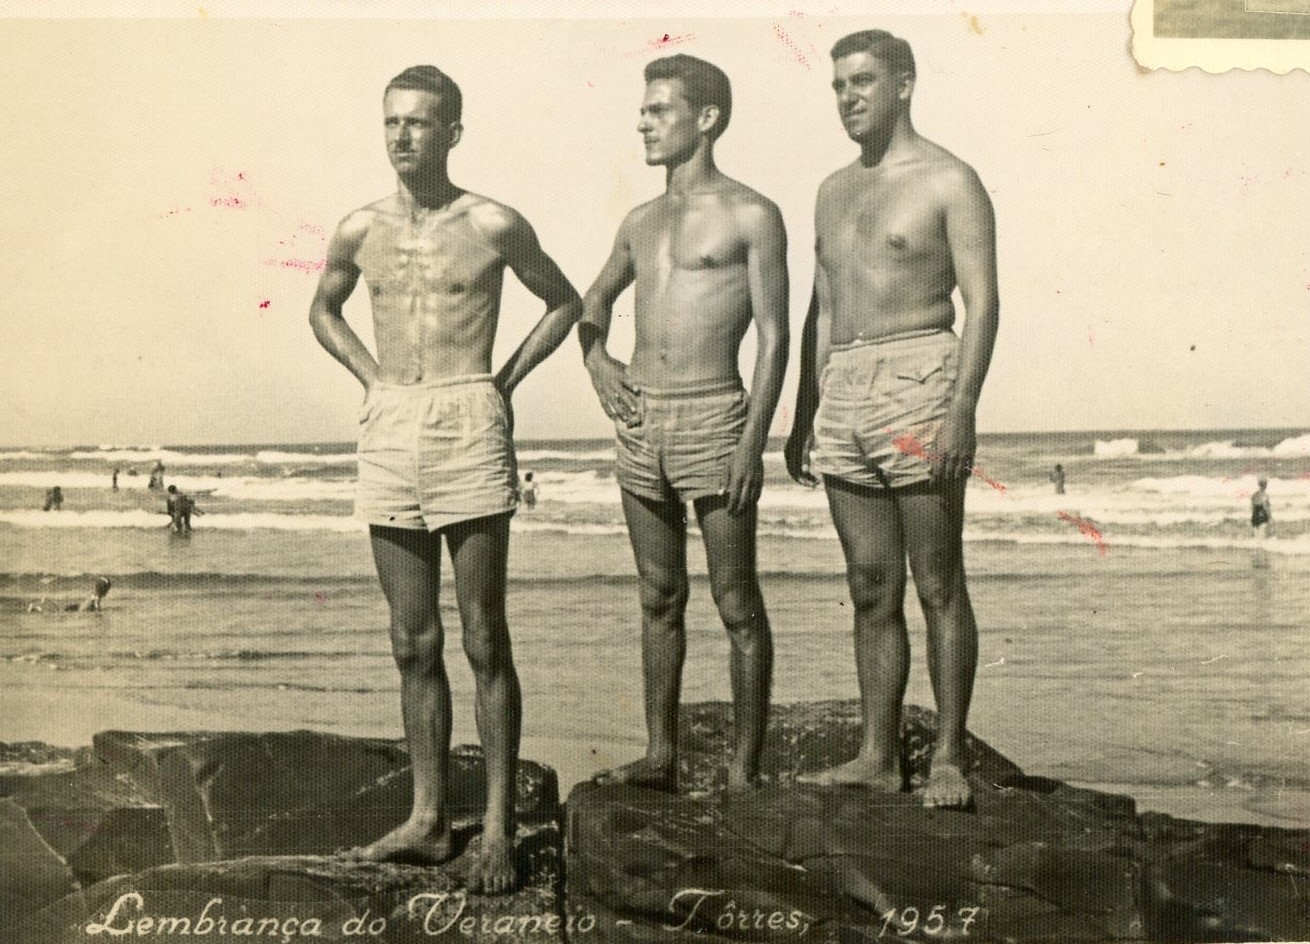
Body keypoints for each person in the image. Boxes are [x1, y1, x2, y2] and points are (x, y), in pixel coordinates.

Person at [308, 65, 581, 892]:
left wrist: (502, 384)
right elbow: (323, 309)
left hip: (468, 414)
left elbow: (563, 302)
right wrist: (371, 378)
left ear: (452, 132)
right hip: (392, 421)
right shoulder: (359, 227)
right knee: (411, 639)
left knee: (483, 637)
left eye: (420, 122)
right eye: (392, 121)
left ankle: (496, 827)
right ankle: (427, 820)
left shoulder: (492, 222)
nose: (403, 136)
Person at [784, 30, 999, 809]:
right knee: (871, 585)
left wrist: (962, 408)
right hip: (843, 384)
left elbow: (983, 302)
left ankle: (949, 757)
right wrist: (806, 410)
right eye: (839, 85)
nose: (848, 97)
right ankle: (878, 755)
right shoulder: (832, 190)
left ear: (904, 84)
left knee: (938, 581)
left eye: (863, 81)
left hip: (920, 379)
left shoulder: (949, 179)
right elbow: (825, 306)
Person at [579, 55, 789, 793]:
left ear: (707, 118)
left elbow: (774, 337)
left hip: (715, 415)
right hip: (642, 421)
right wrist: (597, 361)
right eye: (643, 110)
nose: (644, 122)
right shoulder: (640, 221)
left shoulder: (751, 213)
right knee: (658, 596)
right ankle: (660, 754)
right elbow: (593, 301)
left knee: (736, 602)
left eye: (659, 110)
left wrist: (753, 443)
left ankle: (744, 769)